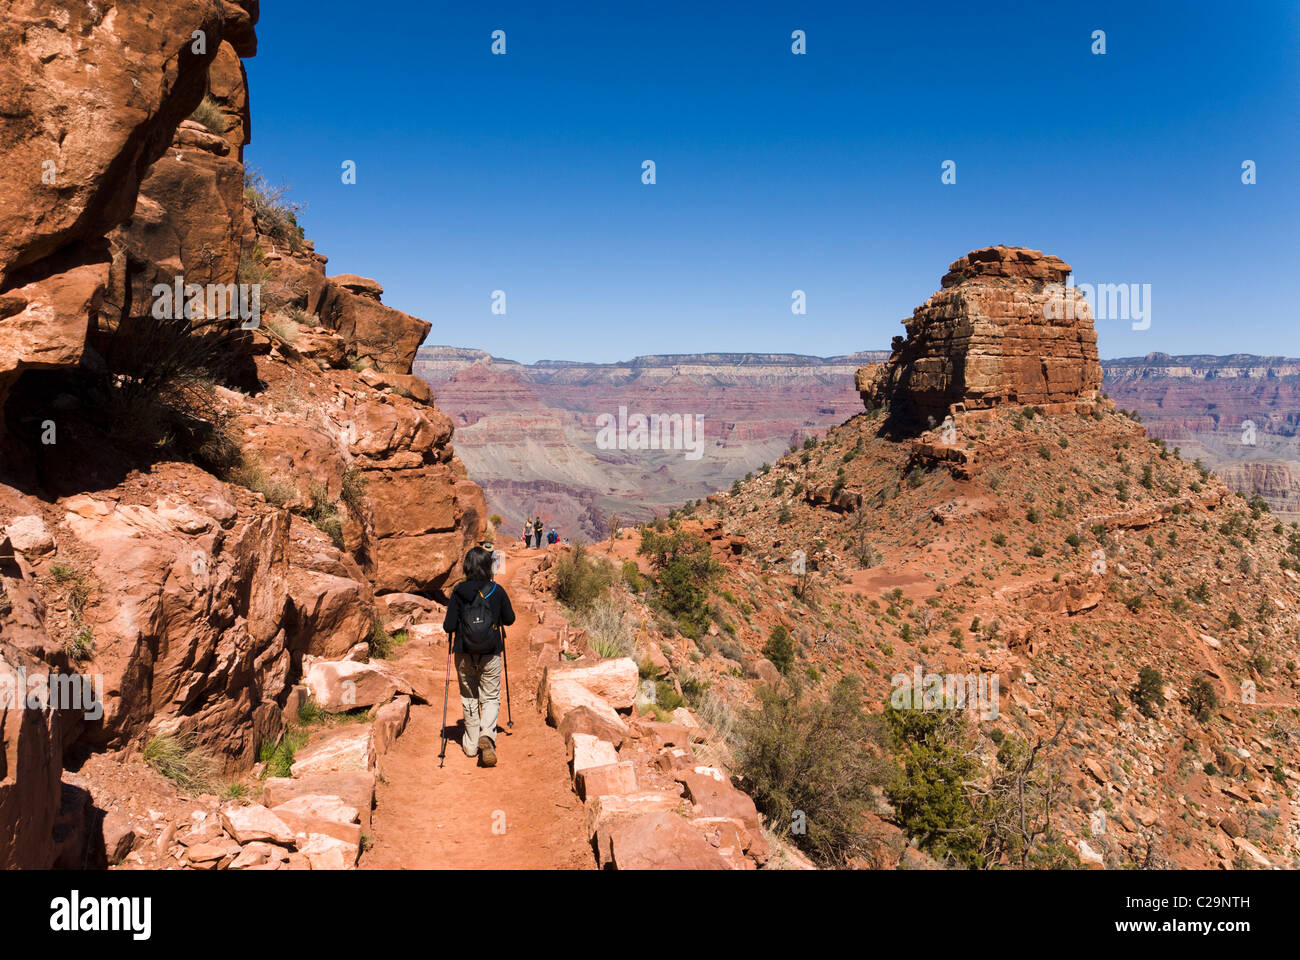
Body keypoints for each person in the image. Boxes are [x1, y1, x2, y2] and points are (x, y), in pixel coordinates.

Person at [441, 545, 516, 767]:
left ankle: (472, 744)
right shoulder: (496, 590)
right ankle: (487, 735)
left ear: (466, 567)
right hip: (490, 653)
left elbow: (448, 626)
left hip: (464, 652)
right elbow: (510, 619)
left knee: (469, 697)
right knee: (490, 697)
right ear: (487, 566)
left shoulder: (458, 592)